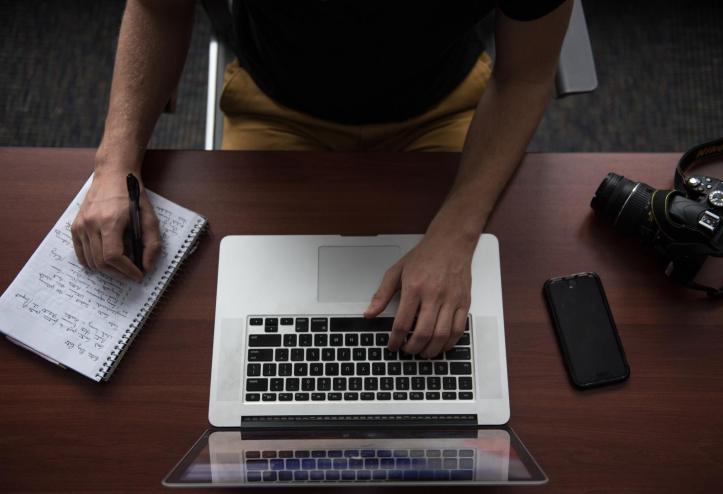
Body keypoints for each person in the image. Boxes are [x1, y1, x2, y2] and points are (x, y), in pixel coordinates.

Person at [71, 0, 573, 358]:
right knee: (241, 332)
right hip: (276, 109)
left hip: (446, 108)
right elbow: (159, 8)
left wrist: (457, 231)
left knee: (460, 335)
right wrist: (114, 164)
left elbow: (525, 75)